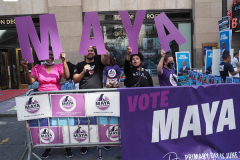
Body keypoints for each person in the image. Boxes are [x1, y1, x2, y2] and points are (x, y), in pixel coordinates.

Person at [20, 47, 72, 159]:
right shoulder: (37, 67)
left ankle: (67, 147)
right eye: (48, 54)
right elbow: (30, 81)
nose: (50, 57)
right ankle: (48, 148)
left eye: (52, 54)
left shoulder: (58, 66)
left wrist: (63, 61)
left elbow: (67, 76)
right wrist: (25, 68)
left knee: (61, 122)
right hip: (42, 100)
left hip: (57, 99)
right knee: (46, 124)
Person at [73, 46, 110, 154]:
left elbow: (107, 55)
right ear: (84, 53)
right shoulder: (79, 65)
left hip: (98, 98)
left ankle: (104, 142)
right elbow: (75, 80)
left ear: (95, 53)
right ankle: (86, 143)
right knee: (85, 122)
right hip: (84, 97)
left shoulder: (99, 63)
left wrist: (99, 44)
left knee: (101, 121)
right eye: (88, 50)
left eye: (92, 51)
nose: (90, 52)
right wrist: (83, 72)